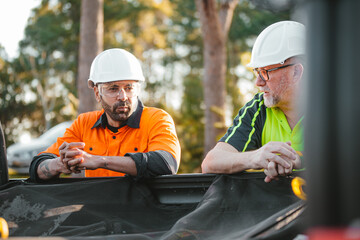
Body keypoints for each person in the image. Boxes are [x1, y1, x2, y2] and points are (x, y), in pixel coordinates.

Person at [29, 48, 181, 182]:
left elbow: (166, 163)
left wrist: (99, 161)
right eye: (113, 89)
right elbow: (37, 166)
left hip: (143, 211)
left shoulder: (157, 119)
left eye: (129, 88)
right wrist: (59, 164)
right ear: (97, 93)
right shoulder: (85, 123)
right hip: (97, 211)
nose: (123, 96)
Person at [201, 21, 305, 182]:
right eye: (257, 71)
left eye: (265, 72)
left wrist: (300, 161)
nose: (258, 82)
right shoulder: (258, 109)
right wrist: (254, 158)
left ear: (296, 72)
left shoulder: (338, 105)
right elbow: (211, 162)